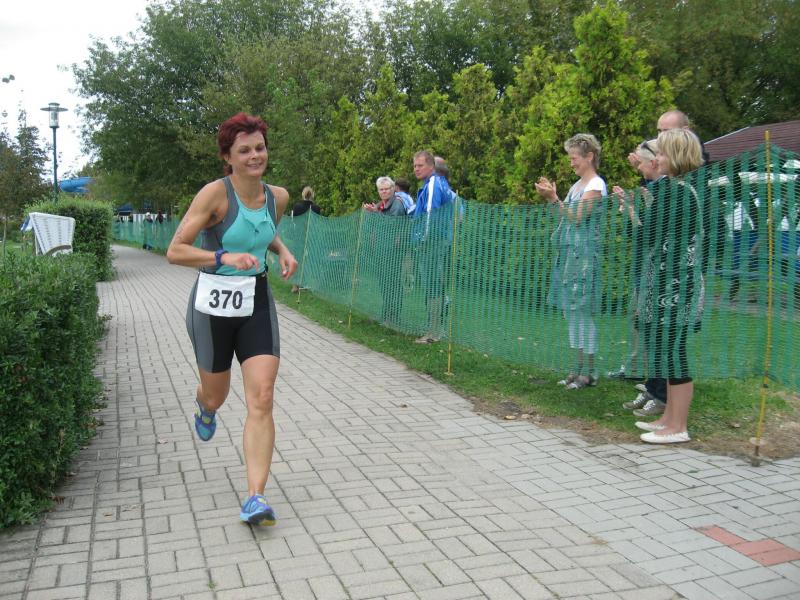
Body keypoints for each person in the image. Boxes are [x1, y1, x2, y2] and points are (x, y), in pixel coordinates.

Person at [166, 112, 298, 524]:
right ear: (228, 157)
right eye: (244, 150)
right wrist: (223, 256)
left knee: (262, 396)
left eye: (260, 147)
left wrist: (282, 250)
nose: (255, 155)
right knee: (217, 395)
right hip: (213, 306)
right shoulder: (214, 195)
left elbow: (263, 231)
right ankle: (205, 407)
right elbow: (176, 250)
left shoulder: (278, 197)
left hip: (256, 301)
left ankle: (255, 497)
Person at [615, 128, 704, 443]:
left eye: (663, 152)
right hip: (666, 284)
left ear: (676, 157)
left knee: (674, 353)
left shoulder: (676, 191)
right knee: (668, 352)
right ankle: (668, 418)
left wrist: (631, 212)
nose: (657, 158)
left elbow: (647, 235)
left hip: (676, 286)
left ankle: (678, 426)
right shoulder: (673, 189)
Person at [535, 134, 607, 389]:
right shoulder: (577, 185)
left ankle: (589, 371)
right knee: (572, 313)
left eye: (574, 158)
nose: (571, 163)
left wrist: (554, 199)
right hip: (569, 257)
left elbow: (577, 217)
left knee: (582, 314)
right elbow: (564, 217)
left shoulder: (595, 185)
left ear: (589, 156)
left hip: (584, 259)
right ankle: (576, 368)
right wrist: (553, 197)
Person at [612, 140, 669, 417]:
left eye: (642, 162)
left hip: (663, 274)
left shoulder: (668, 191)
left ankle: (661, 395)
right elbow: (641, 232)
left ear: (655, 162)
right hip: (649, 270)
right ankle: (652, 388)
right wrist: (631, 208)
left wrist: (632, 209)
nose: (639, 167)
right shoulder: (654, 188)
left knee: (661, 337)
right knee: (649, 331)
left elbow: (649, 234)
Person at [411, 150, 454, 344]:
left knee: (432, 286)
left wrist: (423, 240)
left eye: (420, 165)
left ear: (431, 166)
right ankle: (435, 329)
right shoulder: (440, 184)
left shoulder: (434, 183)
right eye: (414, 166)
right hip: (438, 242)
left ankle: (433, 333)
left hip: (431, 244)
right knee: (434, 285)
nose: (416, 169)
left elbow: (430, 214)